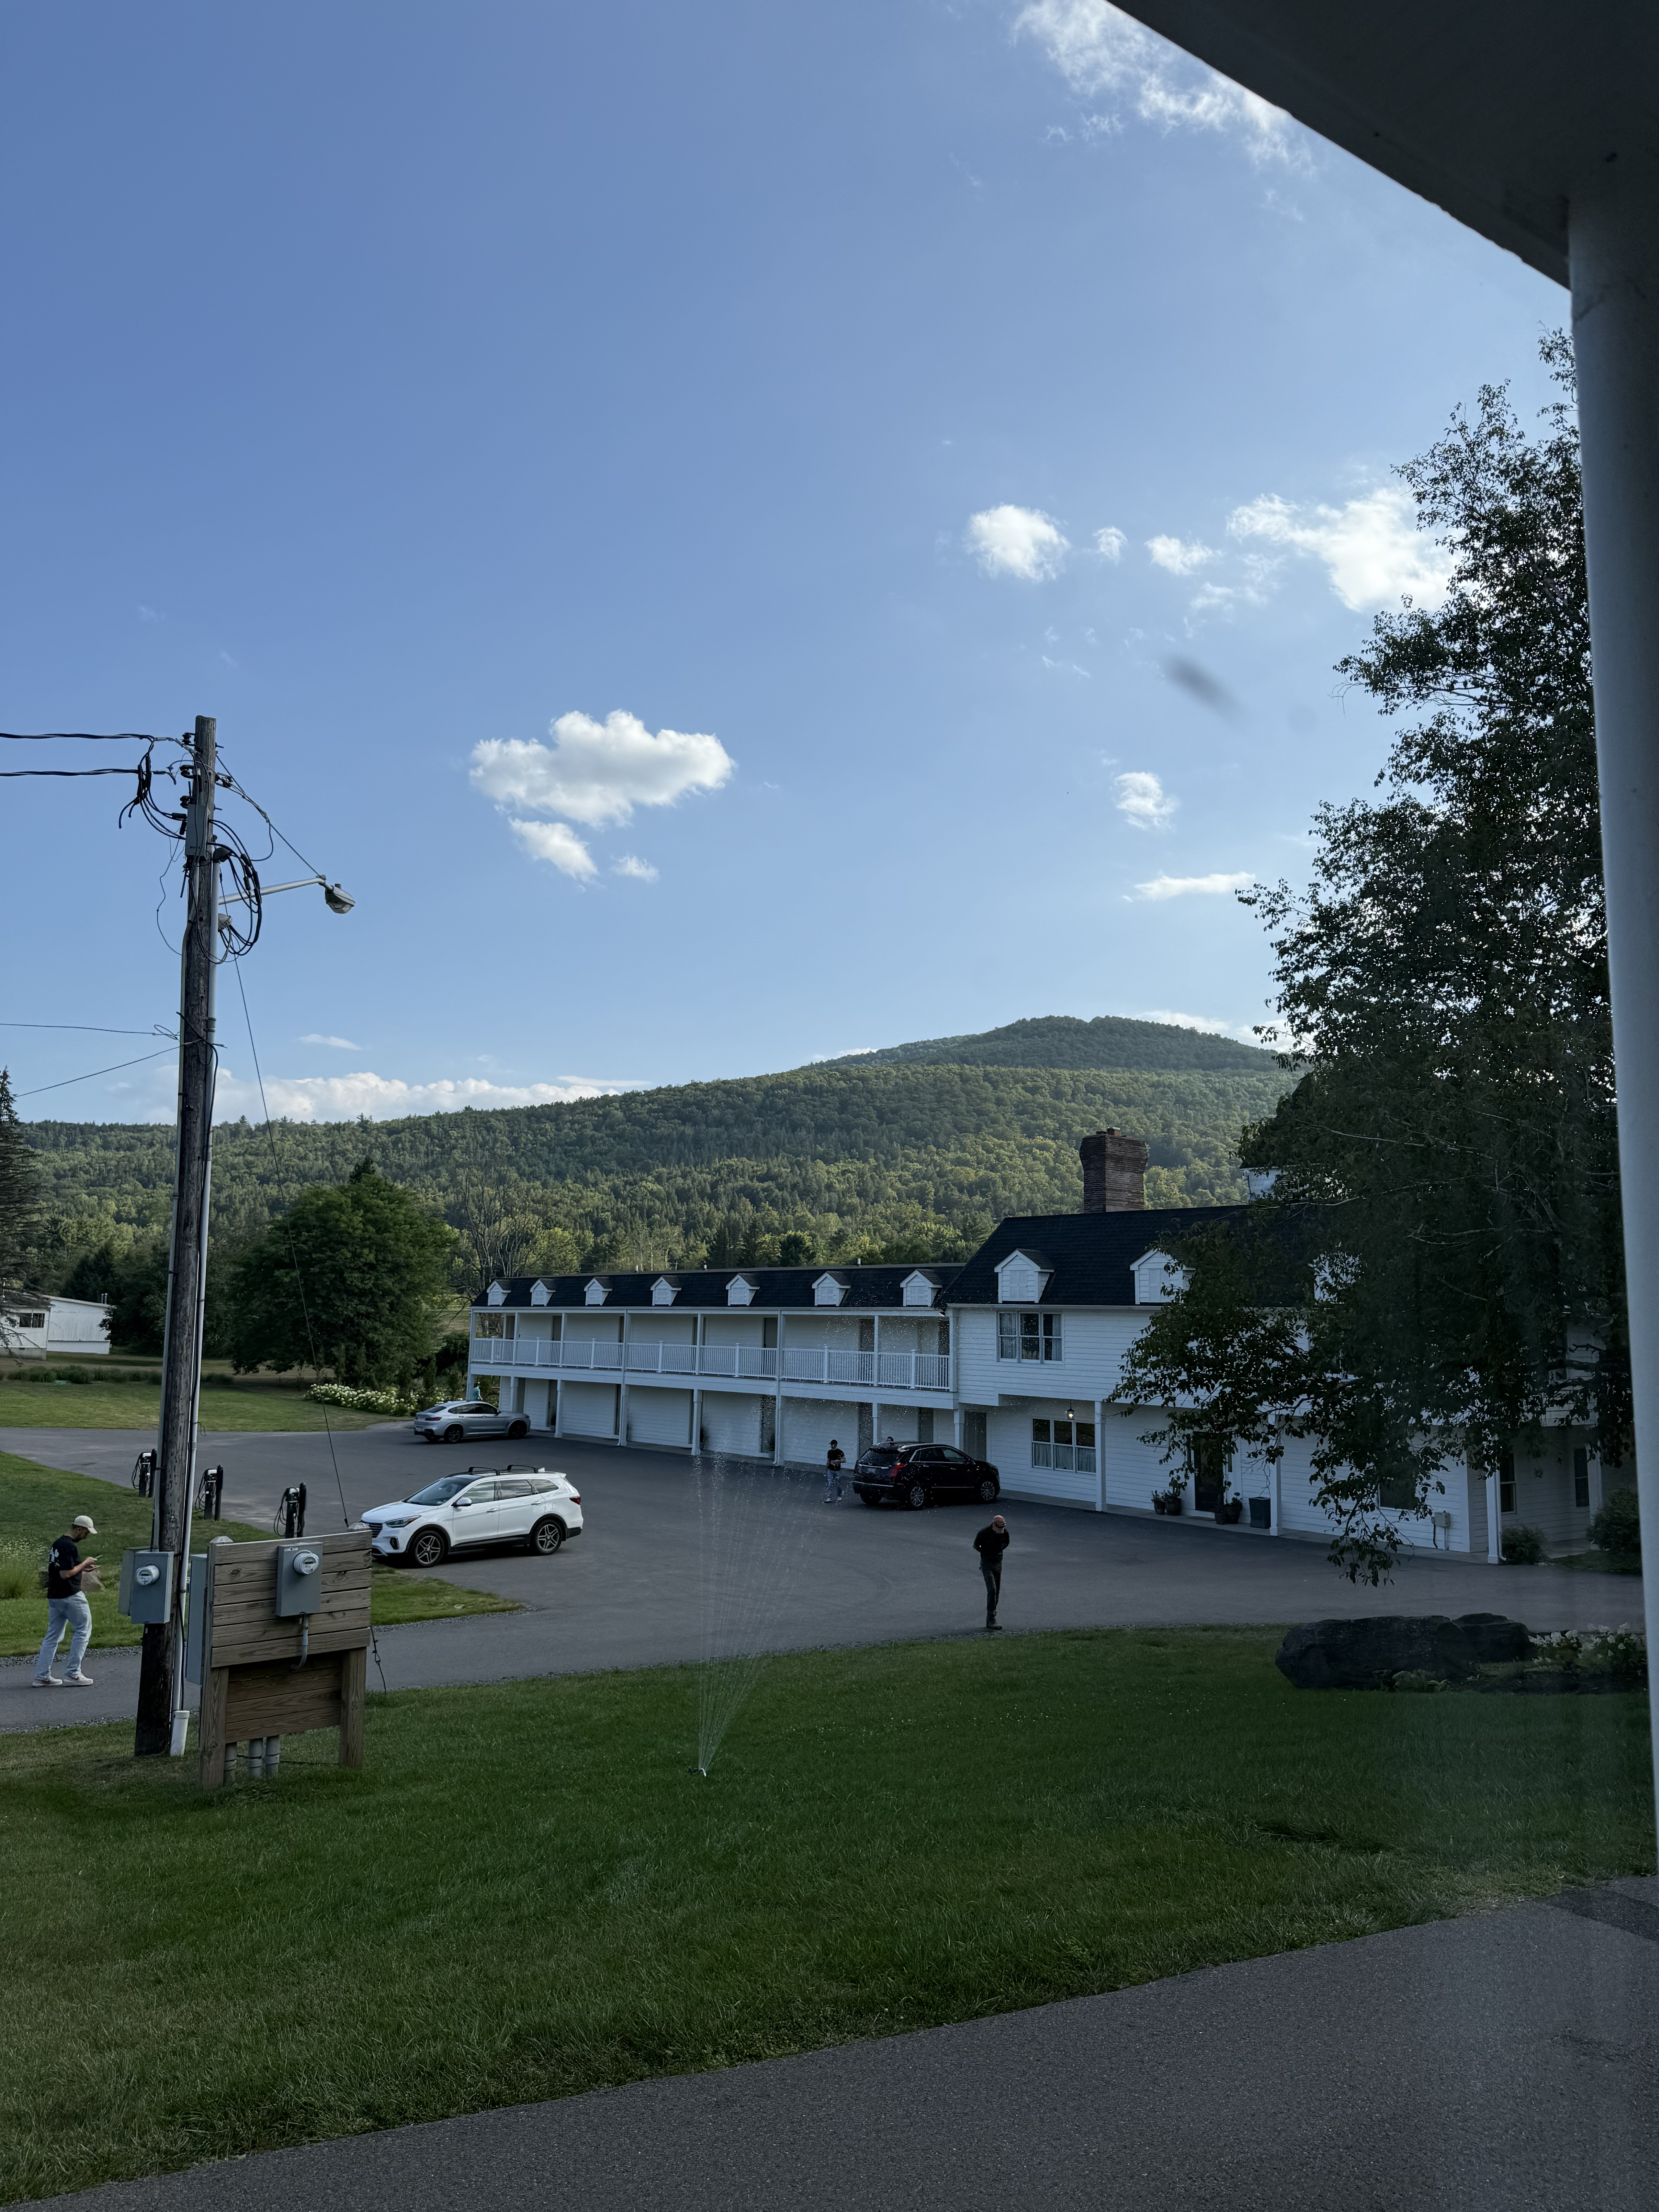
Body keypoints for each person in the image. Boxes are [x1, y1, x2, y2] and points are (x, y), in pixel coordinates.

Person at [33, 1512, 99, 1687]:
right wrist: (85, 1563)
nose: (86, 1536)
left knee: (53, 1636)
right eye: (85, 1532)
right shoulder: (69, 1546)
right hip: (71, 1595)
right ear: (78, 1529)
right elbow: (66, 1574)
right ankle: (73, 1673)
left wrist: (83, 1569)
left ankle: (42, 1676)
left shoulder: (58, 1544)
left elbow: (64, 1569)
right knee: (83, 1630)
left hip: (55, 1595)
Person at [974, 1513, 1009, 1632]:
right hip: (987, 1564)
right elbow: (976, 1545)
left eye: (1003, 1527)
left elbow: (1007, 1543)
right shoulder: (984, 1533)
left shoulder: (1005, 1533)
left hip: (998, 1564)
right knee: (992, 1590)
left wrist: (999, 1549)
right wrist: (987, 1552)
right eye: (999, 1528)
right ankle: (991, 1619)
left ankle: (992, 1617)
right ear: (993, 1525)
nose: (1001, 1530)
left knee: (997, 1592)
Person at [823, 1439, 846, 1503]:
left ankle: (839, 1496)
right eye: (831, 1444)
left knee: (838, 1484)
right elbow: (828, 1461)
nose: (831, 1446)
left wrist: (837, 1461)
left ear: (836, 1445)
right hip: (830, 1470)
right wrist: (826, 1469)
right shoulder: (829, 1452)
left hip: (837, 1470)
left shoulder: (840, 1452)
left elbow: (844, 1460)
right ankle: (829, 1497)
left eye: (832, 1444)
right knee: (830, 1483)